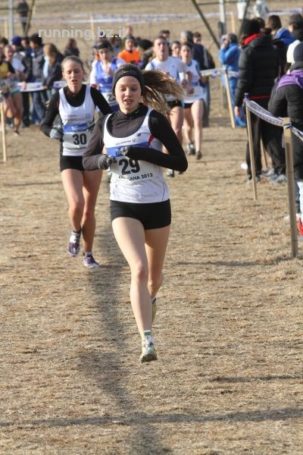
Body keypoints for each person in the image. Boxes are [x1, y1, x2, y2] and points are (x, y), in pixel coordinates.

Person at [82, 64, 188, 362]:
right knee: (138, 269)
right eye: (122, 89)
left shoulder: (154, 120)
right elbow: (87, 160)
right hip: (123, 205)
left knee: (154, 278)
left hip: (156, 204)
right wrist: (103, 160)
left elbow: (180, 162)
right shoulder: (105, 123)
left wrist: (142, 153)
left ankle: (150, 300)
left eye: (133, 89)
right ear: (114, 93)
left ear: (141, 93)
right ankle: (147, 340)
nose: (127, 93)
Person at [41, 56, 112, 268]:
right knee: (76, 204)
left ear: (83, 73)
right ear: (63, 75)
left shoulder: (92, 93)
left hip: (91, 156)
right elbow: (44, 124)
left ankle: (88, 253)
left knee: (89, 210)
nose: (73, 75)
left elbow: (109, 117)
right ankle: (75, 232)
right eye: (69, 72)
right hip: (69, 156)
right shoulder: (58, 96)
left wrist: (99, 131)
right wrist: (54, 132)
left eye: (77, 71)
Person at [234, 18, 286, 181]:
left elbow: (243, 81)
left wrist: (237, 102)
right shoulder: (272, 48)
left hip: (254, 101)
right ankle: (280, 169)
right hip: (271, 98)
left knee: (253, 138)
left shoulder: (248, 51)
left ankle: (254, 172)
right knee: (273, 136)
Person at [269, 42, 303, 235]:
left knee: (300, 182)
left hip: (297, 141)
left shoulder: (286, 82)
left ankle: (299, 214)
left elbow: (274, 111)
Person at [145, 36, 186, 176]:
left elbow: (184, 77)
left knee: (176, 130)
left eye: (164, 44)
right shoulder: (151, 66)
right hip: (159, 103)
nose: (162, 46)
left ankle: (179, 158)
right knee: (164, 134)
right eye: (159, 44)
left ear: (168, 47)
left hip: (174, 101)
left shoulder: (176, 62)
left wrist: (181, 82)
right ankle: (169, 164)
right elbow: (146, 87)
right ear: (155, 48)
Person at [180, 42, 204, 159]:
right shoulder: (177, 65)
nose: (186, 53)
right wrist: (185, 83)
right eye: (184, 50)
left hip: (196, 96)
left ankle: (199, 150)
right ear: (180, 53)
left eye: (188, 51)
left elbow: (201, 78)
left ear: (191, 53)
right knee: (188, 126)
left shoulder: (195, 64)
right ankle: (190, 143)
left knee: (197, 121)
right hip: (184, 98)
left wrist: (193, 81)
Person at [89, 39, 125, 111]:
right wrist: (95, 86)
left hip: (118, 100)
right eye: (101, 52)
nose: (104, 55)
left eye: (106, 51)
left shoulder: (119, 62)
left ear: (111, 51)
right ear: (98, 54)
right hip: (103, 100)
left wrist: (113, 74)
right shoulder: (96, 65)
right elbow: (93, 83)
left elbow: (126, 78)